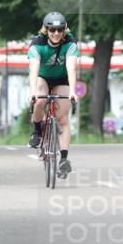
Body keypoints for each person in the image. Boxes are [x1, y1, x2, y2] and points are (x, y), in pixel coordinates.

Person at [27, 11, 79, 179]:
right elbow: (33, 69)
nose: (56, 33)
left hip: (62, 79)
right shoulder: (37, 44)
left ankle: (63, 159)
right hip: (43, 77)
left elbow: (72, 67)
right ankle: (37, 131)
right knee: (40, 100)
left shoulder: (70, 43)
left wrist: (73, 91)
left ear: (64, 30)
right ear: (46, 30)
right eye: (52, 30)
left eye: (60, 30)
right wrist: (32, 91)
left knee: (62, 119)